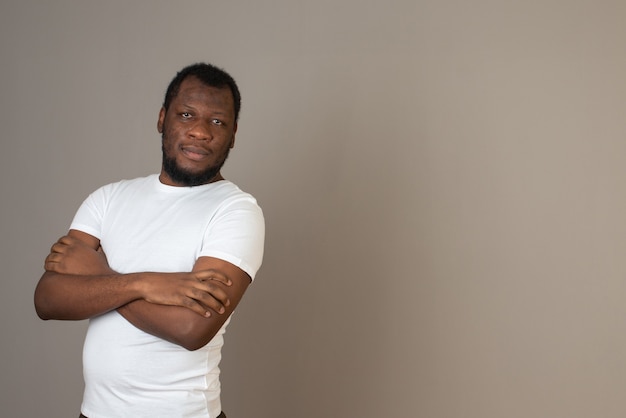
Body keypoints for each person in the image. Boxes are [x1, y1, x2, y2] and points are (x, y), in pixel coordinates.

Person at [34, 63, 265, 418]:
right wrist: (146, 283)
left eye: (217, 122)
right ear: (162, 119)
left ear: (233, 135)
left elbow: (192, 328)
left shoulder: (235, 210)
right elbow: (48, 299)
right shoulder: (108, 199)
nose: (200, 132)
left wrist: (99, 275)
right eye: (186, 114)